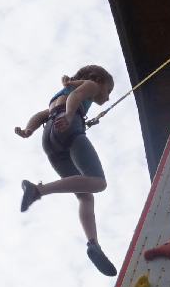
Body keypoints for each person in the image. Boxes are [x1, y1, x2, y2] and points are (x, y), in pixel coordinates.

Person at [15, 65, 118, 276]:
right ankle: (39, 190)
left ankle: (93, 243)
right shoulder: (90, 85)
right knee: (98, 182)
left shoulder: (59, 94)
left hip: (49, 142)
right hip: (68, 130)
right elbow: (79, 94)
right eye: (108, 91)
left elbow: (41, 115)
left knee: (85, 195)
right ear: (98, 80)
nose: (107, 98)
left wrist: (28, 130)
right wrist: (71, 115)